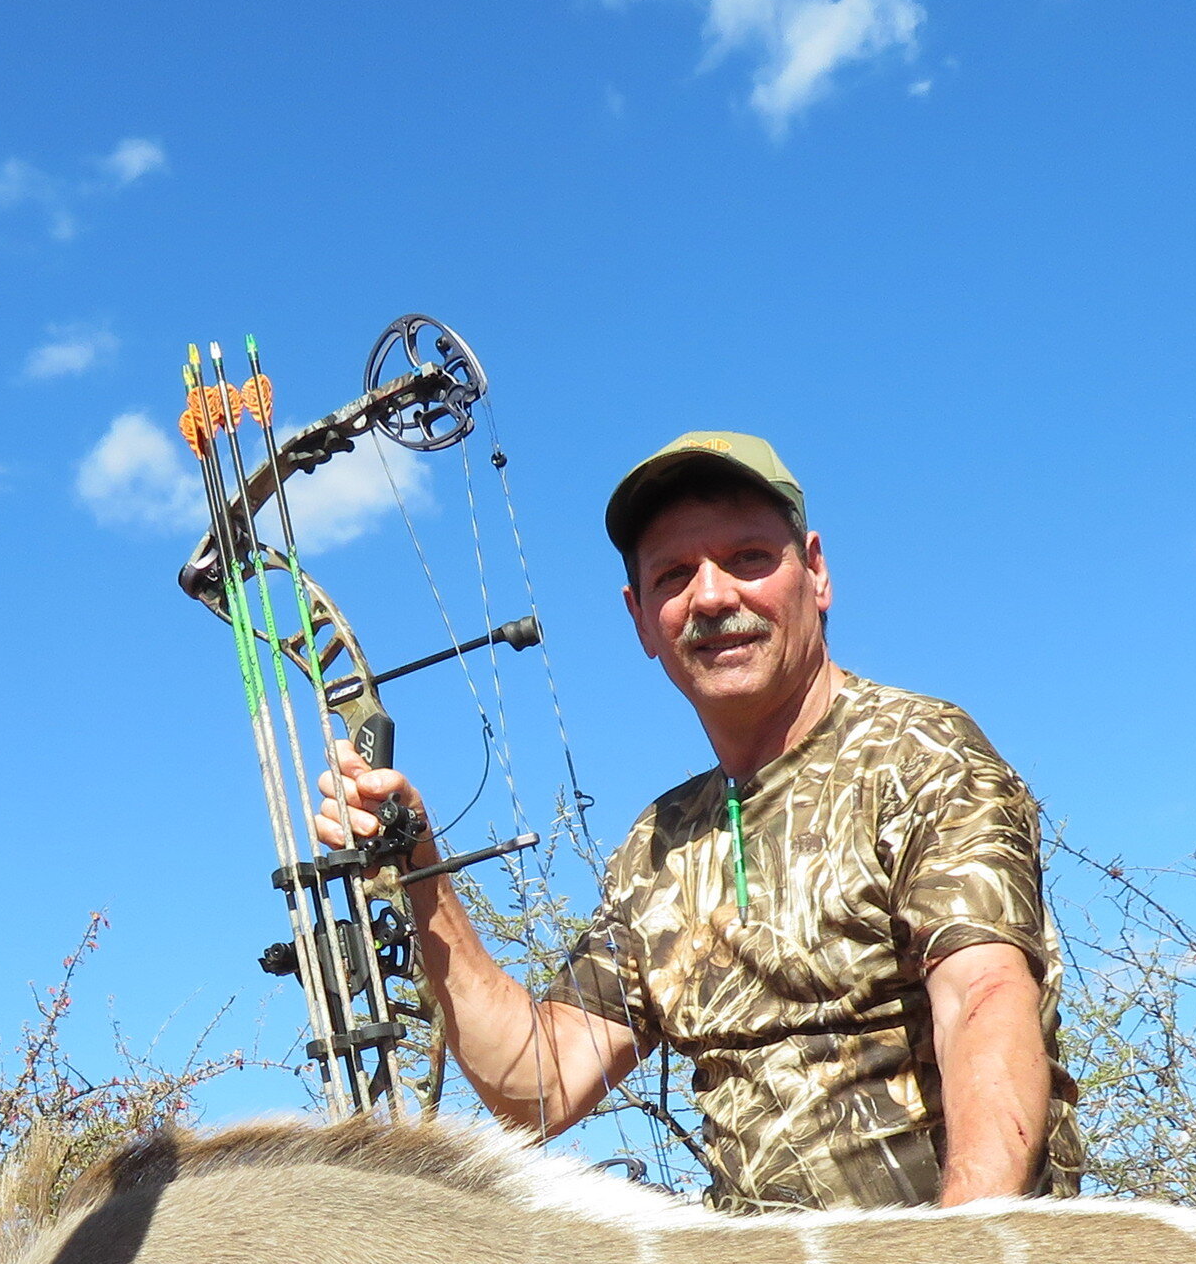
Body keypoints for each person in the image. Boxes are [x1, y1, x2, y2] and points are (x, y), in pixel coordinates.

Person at [314, 429, 1080, 1210]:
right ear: (642, 618)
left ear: (815, 572)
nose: (712, 597)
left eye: (748, 557)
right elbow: (537, 1085)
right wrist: (420, 869)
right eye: (675, 575)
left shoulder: (921, 754)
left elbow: (982, 999)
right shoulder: (661, 840)